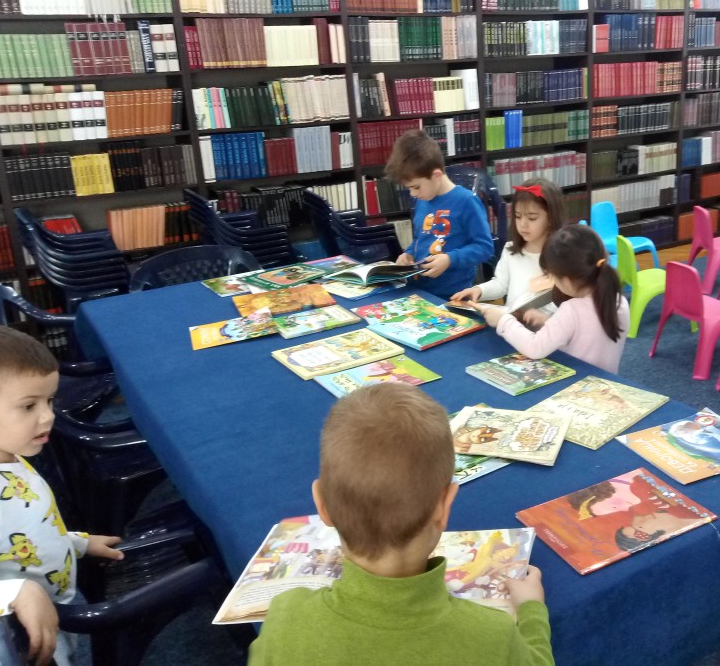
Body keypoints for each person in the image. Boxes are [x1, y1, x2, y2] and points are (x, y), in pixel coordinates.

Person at [248, 382, 554, 666]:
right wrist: (532, 611)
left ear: (322, 506)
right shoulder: (493, 636)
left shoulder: (284, 618)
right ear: (443, 507)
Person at [0, 326, 124, 666]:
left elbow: (21, 525)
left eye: (49, 401)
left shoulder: (6, 454)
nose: (48, 416)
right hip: (8, 643)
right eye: (28, 406)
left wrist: (76, 543)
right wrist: (14, 592)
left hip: (50, 606)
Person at [477, 225, 629, 374]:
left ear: (566, 281)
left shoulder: (571, 310)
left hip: (575, 385)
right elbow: (585, 336)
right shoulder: (619, 301)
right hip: (608, 385)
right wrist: (548, 323)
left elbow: (535, 347)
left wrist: (503, 321)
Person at [386, 129, 494, 300]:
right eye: (409, 189)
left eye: (416, 187)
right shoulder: (423, 199)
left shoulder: (466, 202)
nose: (413, 194)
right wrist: (408, 254)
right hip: (418, 291)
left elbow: (485, 247)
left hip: (452, 296)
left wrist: (450, 259)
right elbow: (421, 238)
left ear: (436, 175)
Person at [450, 178, 566, 323]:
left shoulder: (562, 256)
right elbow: (500, 284)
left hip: (547, 330)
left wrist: (545, 320)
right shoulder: (511, 250)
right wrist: (479, 290)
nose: (523, 224)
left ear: (551, 218)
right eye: (518, 216)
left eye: (532, 218)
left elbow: (568, 304)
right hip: (511, 327)